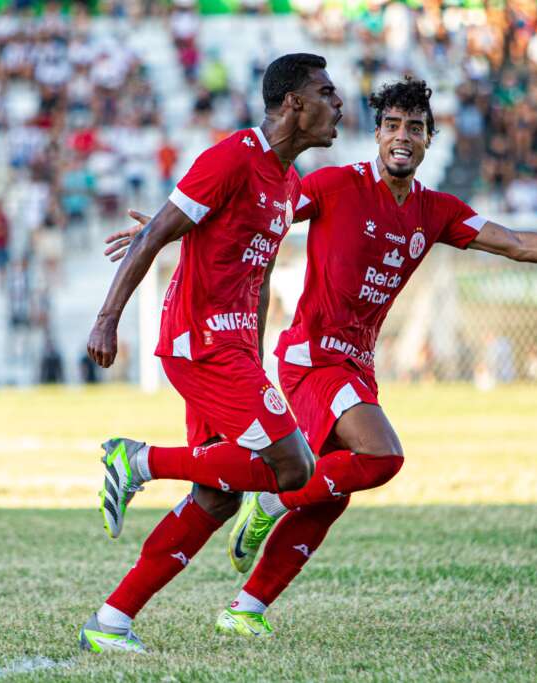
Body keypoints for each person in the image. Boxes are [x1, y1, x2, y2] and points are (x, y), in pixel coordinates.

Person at [105, 78, 537, 638]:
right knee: (381, 456)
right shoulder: (333, 185)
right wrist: (175, 224)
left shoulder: (436, 210)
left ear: (430, 141)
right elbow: (255, 211)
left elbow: (514, 243)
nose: (404, 136)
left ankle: (244, 609)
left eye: (416, 129)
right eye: (393, 126)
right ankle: (256, 494)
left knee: (327, 494)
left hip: (354, 365)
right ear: (376, 135)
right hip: (310, 358)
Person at [78, 53, 343, 655]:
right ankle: (138, 462)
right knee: (294, 466)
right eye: (326, 93)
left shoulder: (288, 181)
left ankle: (111, 620)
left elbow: (260, 272)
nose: (339, 104)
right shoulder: (231, 157)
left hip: (232, 351)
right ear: (294, 104)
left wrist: (254, 357)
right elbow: (151, 236)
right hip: (198, 344)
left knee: (218, 495)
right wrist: (107, 318)